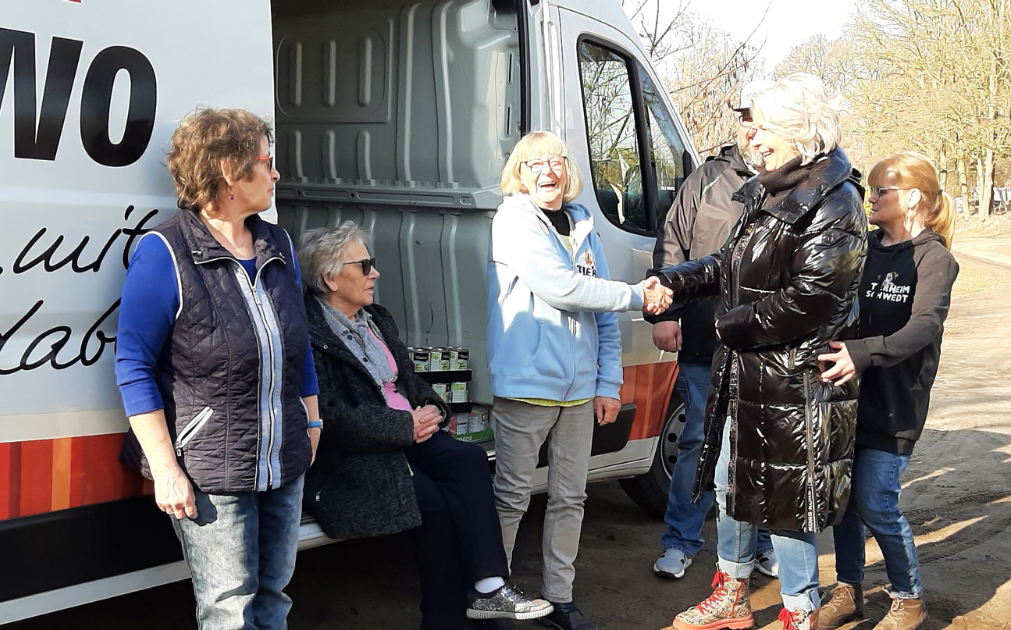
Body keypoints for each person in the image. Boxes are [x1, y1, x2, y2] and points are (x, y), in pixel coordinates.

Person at [655, 74, 868, 630]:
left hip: (794, 379)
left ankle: (799, 610)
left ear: (801, 131)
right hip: (747, 372)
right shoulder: (769, 188)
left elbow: (812, 299)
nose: (752, 137)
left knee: (787, 500)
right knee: (731, 484)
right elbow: (727, 264)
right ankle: (731, 593)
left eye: (765, 128)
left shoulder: (837, 199)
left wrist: (727, 326)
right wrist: (673, 283)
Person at [115, 108, 321, 630]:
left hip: (283, 457)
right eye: (267, 162)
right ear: (230, 170)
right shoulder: (165, 251)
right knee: (230, 611)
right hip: (212, 470)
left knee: (274, 597)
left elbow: (298, 343)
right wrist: (166, 470)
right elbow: (133, 366)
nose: (276, 174)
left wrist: (313, 421)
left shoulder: (278, 244)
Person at [297, 222, 552, 630]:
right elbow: (329, 416)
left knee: (469, 460)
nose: (375, 273)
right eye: (365, 265)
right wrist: (403, 425)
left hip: (408, 434)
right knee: (436, 505)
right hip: (357, 455)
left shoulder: (376, 319)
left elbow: (408, 379)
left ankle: (489, 588)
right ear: (329, 277)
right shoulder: (309, 333)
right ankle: (445, 622)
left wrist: (432, 405)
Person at [487, 130, 672, 630]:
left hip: (580, 392)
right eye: (534, 163)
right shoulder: (513, 220)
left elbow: (602, 315)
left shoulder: (583, 224)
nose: (547, 171)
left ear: (568, 170)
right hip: (528, 386)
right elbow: (563, 289)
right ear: (519, 173)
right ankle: (494, 596)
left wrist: (608, 383)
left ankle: (560, 599)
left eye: (556, 161)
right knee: (512, 497)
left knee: (571, 497)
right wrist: (637, 295)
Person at [816, 152, 959, 630]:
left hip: (897, 403)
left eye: (881, 190)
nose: (871, 199)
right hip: (847, 398)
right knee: (844, 501)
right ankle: (849, 590)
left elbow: (923, 327)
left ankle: (909, 599)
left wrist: (861, 353)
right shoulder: (865, 248)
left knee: (876, 500)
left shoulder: (934, 258)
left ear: (913, 198)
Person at [649, 80, 779, 580]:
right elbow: (673, 244)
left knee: (760, 450)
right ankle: (681, 540)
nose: (752, 130)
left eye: (761, 120)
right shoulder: (706, 178)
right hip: (707, 341)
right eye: (746, 119)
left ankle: (760, 545)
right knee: (698, 443)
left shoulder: (792, 184)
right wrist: (665, 314)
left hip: (767, 349)